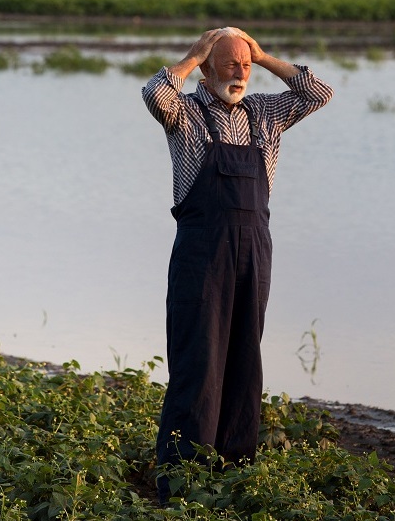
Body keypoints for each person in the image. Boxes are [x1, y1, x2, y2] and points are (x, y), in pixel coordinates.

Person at [141, 27, 333, 503]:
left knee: (245, 363)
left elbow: (318, 92)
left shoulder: (265, 113)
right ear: (208, 68)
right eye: (229, 63)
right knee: (198, 362)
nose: (240, 72)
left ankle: (232, 476)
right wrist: (192, 57)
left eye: (244, 64)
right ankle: (181, 484)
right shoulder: (186, 114)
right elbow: (155, 93)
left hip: (253, 253)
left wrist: (263, 55)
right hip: (201, 255)